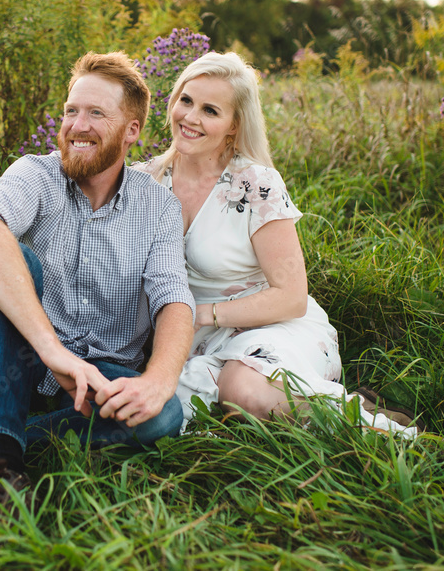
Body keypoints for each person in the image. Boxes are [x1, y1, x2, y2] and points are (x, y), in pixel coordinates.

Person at [0, 51, 196, 513]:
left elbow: (173, 300)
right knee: (14, 256)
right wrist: (52, 351)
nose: (77, 125)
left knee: (164, 418)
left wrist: (159, 380)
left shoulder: (159, 207)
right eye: (71, 111)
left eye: (96, 113)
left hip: (100, 373)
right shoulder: (35, 174)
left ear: (131, 131)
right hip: (21, 358)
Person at [133, 51, 417, 438]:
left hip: (271, 327)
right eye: (186, 100)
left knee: (243, 388)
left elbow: (291, 297)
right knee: (163, 415)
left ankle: (415, 443)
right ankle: (347, 403)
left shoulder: (255, 184)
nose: (190, 117)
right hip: (190, 341)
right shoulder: (144, 181)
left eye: (210, 110)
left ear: (234, 125)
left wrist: (197, 313)